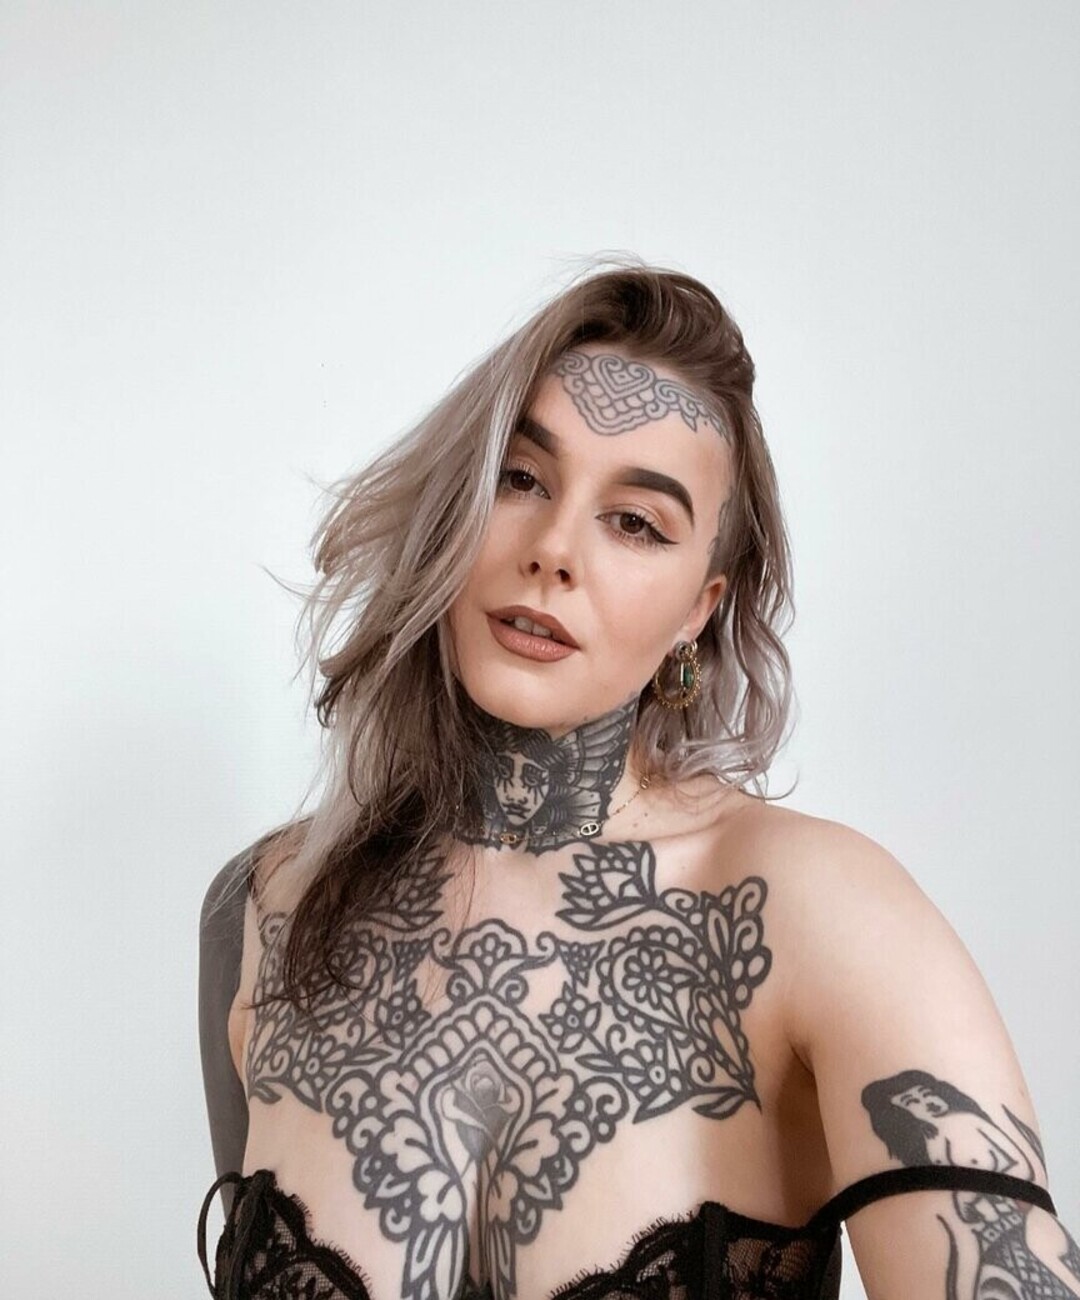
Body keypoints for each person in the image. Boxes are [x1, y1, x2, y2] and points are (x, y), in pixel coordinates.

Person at [197, 262, 1078, 1300]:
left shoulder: (821, 912)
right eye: (521, 478)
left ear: (699, 607)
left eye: (637, 522)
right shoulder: (270, 907)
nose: (553, 550)